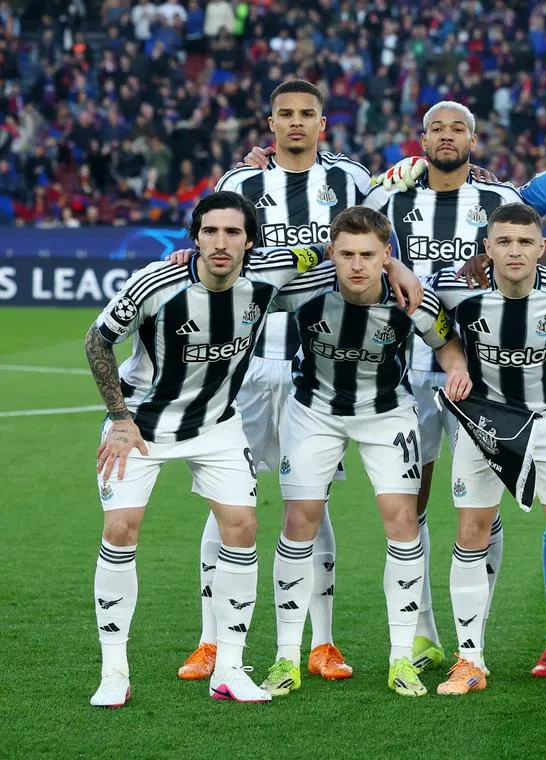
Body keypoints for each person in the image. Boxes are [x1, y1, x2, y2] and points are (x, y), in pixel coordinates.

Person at [86, 191, 319, 707]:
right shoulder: (156, 283)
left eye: (233, 232)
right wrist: (120, 418)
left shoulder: (268, 274)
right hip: (142, 425)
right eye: (210, 231)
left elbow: (317, 251)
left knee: (242, 525)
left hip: (216, 424)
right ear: (194, 238)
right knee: (120, 531)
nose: (220, 242)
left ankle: (230, 669)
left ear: (250, 242)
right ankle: (114, 672)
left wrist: (395, 266)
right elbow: (96, 342)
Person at [179, 79, 376, 684]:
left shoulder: (352, 181)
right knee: (227, 500)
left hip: (314, 366)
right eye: (285, 115)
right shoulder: (241, 185)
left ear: (323, 122)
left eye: (307, 115)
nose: (296, 123)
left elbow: (376, 240)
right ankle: (210, 640)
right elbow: (211, 254)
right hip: (241, 363)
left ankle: (323, 642)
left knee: (308, 503)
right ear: (270, 123)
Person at [259, 205, 471, 698]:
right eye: (347, 253)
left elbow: (446, 343)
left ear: (386, 256)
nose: (357, 265)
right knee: (299, 520)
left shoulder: (411, 297)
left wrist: (456, 366)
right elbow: (245, 277)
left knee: (401, 520)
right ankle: (286, 656)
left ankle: (401, 658)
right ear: (331, 252)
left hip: (386, 413)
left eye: (369, 255)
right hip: (314, 411)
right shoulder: (303, 291)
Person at [429, 202, 546, 697]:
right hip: (484, 424)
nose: (514, 251)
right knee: (471, 531)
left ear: (542, 248)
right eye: (504, 242)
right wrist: (453, 360)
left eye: (525, 242)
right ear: (487, 248)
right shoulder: (456, 291)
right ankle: (469, 660)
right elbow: (430, 326)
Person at [364, 101, 526, 671]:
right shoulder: (389, 200)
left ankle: (472, 634)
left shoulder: (500, 202)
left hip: (484, 371)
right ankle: (424, 633)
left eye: (459, 128)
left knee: (483, 505)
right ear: (421, 139)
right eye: (437, 128)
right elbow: (352, 242)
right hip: (405, 370)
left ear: (474, 140)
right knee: (413, 502)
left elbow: (530, 263)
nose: (448, 136)